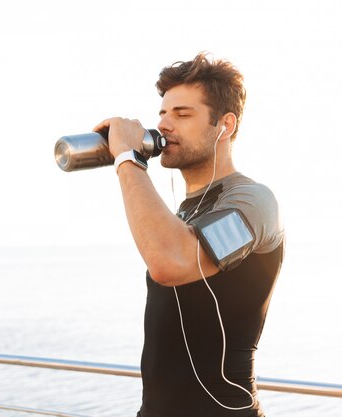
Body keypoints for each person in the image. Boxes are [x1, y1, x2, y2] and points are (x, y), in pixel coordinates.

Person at [93, 52, 284, 417]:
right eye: (163, 114)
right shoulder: (183, 212)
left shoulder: (254, 202)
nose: (164, 125)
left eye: (182, 114)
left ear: (224, 125)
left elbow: (172, 262)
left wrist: (127, 160)